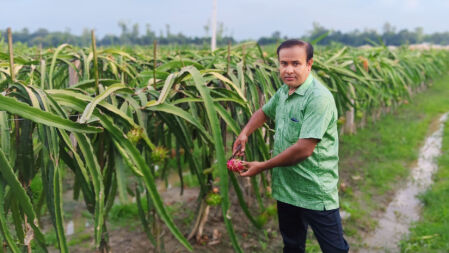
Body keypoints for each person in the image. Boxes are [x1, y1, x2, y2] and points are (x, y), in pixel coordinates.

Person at [232, 39, 349, 253]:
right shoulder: (285, 91)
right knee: (292, 245)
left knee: (334, 249)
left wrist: (264, 165)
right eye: (283, 63)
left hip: (315, 190)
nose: (288, 70)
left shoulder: (318, 98)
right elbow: (265, 112)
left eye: (296, 63)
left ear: (309, 64)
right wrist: (244, 133)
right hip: (287, 188)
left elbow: (304, 149)